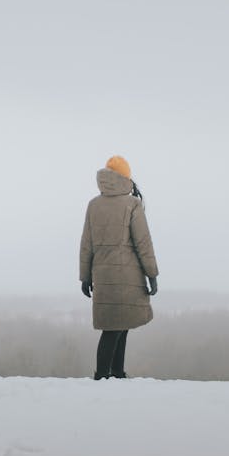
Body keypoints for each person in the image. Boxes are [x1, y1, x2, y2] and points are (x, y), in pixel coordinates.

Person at [79, 155, 159, 379]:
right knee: (114, 329)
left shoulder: (94, 205)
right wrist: (152, 274)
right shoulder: (132, 204)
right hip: (128, 276)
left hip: (102, 276)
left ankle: (116, 374)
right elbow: (143, 242)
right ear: (125, 178)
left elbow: (86, 244)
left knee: (119, 325)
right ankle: (103, 376)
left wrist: (85, 277)